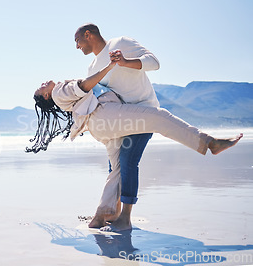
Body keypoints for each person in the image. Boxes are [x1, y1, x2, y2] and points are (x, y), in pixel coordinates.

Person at [26, 53, 243, 231]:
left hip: (99, 127)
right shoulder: (58, 91)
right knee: (158, 117)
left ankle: (101, 216)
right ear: (46, 97)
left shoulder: (58, 95)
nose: (44, 84)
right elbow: (84, 85)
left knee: (118, 169)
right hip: (104, 116)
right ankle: (208, 143)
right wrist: (110, 66)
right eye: (41, 88)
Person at [76, 23, 161, 231]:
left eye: (77, 41)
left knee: (128, 161)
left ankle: (126, 217)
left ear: (88, 35)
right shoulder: (92, 67)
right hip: (121, 121)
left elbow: (154, 63)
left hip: (145, 113)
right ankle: (112, 211)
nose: (77, 47)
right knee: (114, 166)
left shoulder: (121, 43)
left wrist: (125, 62)